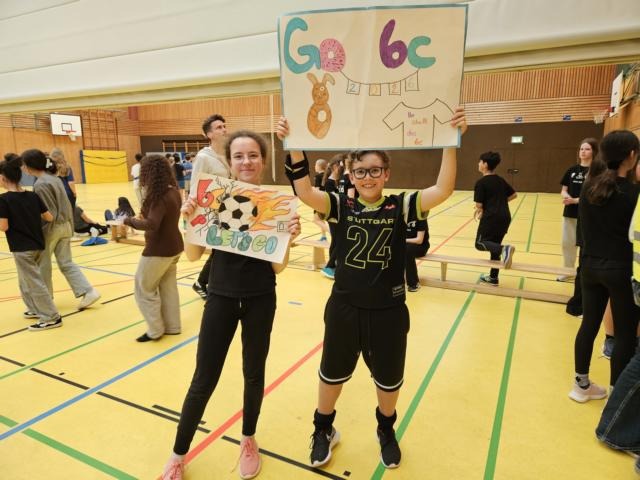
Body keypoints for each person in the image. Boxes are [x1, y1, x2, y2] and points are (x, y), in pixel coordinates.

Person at [277, 108, 466, 470]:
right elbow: (304, 191)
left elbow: (443, 189)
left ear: (386, 173)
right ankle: (323, 428)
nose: (368, 177)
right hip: (345, 308)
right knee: (331, 373)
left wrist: (450, 142)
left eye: (375, 170)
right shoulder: (339, 205)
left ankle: (386, 430)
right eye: (361, 171)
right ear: (351, 175)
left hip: (388, 311)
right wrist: (294, 144)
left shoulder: (401, 205)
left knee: (388, 380)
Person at [161, 130, 301, 480]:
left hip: (261, 298)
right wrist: (189, 219)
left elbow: (278, 268)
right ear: (229, 162)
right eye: (239, 156)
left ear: (263, 161)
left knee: (254, 374)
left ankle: (248, 439)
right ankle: (177, 456)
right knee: (203, 378)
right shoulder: (214, 199)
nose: (246, 161)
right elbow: (193, 255)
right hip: (221, 298)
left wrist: (287, 238)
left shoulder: (275, 206)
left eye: (253, 155)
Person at [570, 130, 640, 402]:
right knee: (624, 334)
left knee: (589, 324)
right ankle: (615, 395)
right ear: (631, 155)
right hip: (620, 270)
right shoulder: (633, 193)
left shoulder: (589, 188)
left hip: (589, 267)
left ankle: (581, 385)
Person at [20, 149, 101, 311]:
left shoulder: (40, 184)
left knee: (43, 264)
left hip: (52, 228)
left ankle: (45, 301)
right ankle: (88, 291)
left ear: (29, 166)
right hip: (66, 226)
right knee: (66, 262)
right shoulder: (54, 179)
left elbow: (49, 213)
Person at [124, 155, 183, 342]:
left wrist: (128, 221)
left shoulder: (159, 196)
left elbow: (152, 224)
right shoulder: (174, 191)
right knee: (168, 288)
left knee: (144, 288)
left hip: (159, 249)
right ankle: (173, 326)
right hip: (175, 246)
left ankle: (155, 330)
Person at [0, 154, 62, 331]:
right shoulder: (32, 196)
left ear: (3, 178)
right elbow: (49, 217)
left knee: (33, 282)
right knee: (25, 280)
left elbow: (3, 227)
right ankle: (35, 308)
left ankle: (51, 317)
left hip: (22, 248)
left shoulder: (3, 200)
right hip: (38, 244)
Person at [188, 114, 231, 300]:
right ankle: (202, 282)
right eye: (219, 127)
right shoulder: (203, 157)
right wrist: (192, 214)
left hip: (230, 210)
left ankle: (205, 282)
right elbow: (195, 186)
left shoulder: (229, 154)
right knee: (220, 250)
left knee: (224, 249)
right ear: (209, 134)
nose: (224, 129)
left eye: (224, 126)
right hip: (211, 211)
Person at [473, 151, 517, 285]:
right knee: (494, 246)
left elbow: (479, 205)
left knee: (480, 243)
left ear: (485, 164)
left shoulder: (481, 182)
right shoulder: (500, 180)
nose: (478, 164)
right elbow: (513, 195)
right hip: (505, 217)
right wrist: (499, 203)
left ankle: (505, 249)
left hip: (491, 217)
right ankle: (493, 277)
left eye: (480, 161)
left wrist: (481, 210)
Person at [558, 138, 598, 281]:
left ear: (594, 152)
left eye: (587, 149)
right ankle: (568, 271)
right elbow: (563, 190)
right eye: (581, 149)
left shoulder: (597, 172)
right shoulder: (572, 170)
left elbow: (595, 195)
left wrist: (575, 200)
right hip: (570, 214)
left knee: (586, 245)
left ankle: (585, 273)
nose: (583, 151)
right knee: (567, 244)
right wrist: (567, 196)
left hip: (588, 215)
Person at [320, 154, 346, 279]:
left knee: (336, 240)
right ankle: (329, 266)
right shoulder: (330, 182)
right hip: (333, 216)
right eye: (342, 166)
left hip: (338, 215)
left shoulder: (338, 181)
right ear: (336, 166)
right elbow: (333, 200)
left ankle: (333, 265)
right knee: (339, 240)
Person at [405, 214, 430, 292]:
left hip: (421, 247)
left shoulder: (420, 217)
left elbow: (419, 240)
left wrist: (402, 240)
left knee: (407, 250)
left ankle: (414, 283)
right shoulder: (400, 216)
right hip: (406, 245)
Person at [312, 158, 330, 241]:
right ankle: (323, 237)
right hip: (329, 200)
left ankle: (332, 233)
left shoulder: (318, 177)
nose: (314, 166)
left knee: (315, 220)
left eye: (315, 165)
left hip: (320, 200)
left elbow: (317, 191)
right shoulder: (329, 175)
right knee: (321, 219)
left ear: (319, 166)